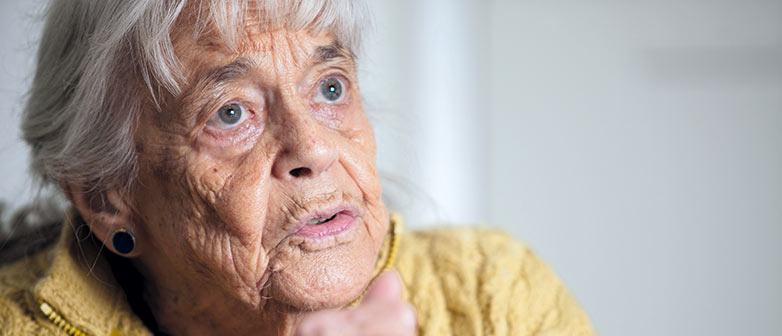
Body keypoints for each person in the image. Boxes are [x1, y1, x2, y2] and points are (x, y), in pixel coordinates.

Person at [0, 0, 595, 335]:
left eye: (330, 89)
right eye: (231, 113)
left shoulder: (495, 298)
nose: (313, 148)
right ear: (107, 196)